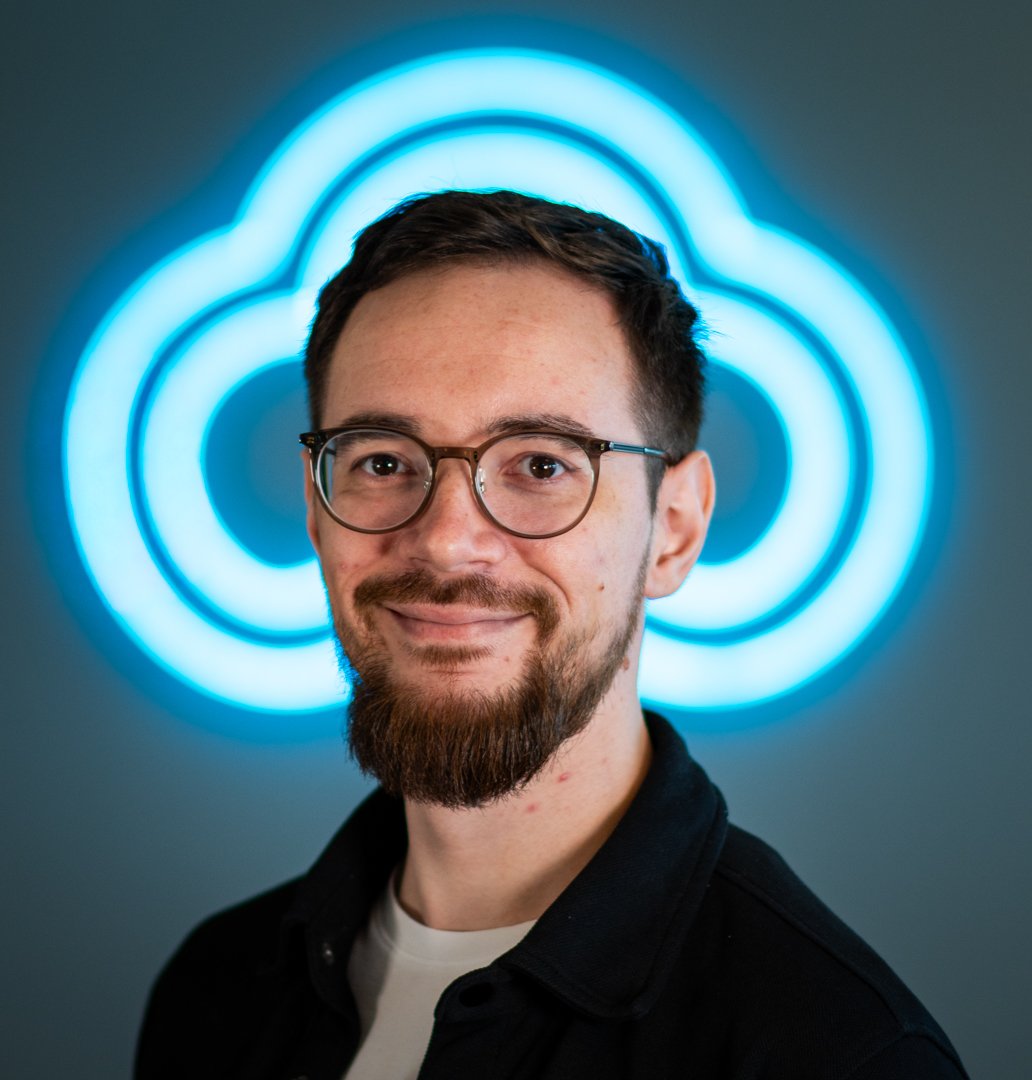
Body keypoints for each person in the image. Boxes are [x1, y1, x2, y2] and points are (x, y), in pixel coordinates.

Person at [135, 190, 967, 1079]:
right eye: (383, 460)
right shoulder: (214, 991)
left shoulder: (839, 1053)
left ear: (674, 529)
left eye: (541, 464)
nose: (448, 537)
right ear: (313, 501)